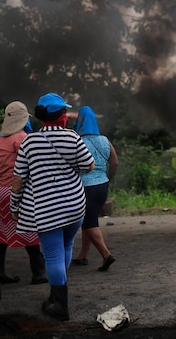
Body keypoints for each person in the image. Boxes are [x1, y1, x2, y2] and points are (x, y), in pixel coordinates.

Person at [10, 93, 95, 321]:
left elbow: (18, 179)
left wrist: (14, 205)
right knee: (65, 248)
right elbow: (89, 165)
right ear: (62, 117)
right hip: (75, 207)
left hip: (47, 210)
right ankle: (57, 294)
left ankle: (60, 306)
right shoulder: (73, 138)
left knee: (53, 256)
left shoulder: (29, 141)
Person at [0, 101, 47, 285]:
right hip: (16, 190)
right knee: (30, 230)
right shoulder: (22, 138)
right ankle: (38, 274)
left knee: (1, 232)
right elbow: (31, 166)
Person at [71, 106, 119, 271]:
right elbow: (114, 163)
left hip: (85, 187)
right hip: (102, 185)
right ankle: (83, 255)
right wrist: (108, 178)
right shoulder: (105, 140)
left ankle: (106, 255)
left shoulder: (77, 140)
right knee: (90, 219)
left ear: (80, 121)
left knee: (88, 221)